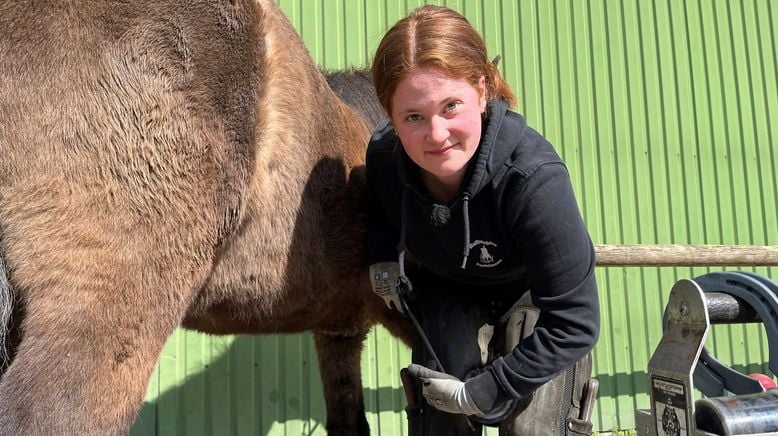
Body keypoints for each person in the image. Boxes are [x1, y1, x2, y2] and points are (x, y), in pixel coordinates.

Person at [365, 5, 600, 436]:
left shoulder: (532, 179)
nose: (436, 135)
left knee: (536, 428)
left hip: (533, 298)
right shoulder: (384, 159)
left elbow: (576, 321)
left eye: (451, 106)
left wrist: (490, 388)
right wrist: (382, 255)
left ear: (482, 88)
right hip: (448, 290)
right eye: (413, 116)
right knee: (442, 424)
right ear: (390, 116)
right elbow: (380, 206)